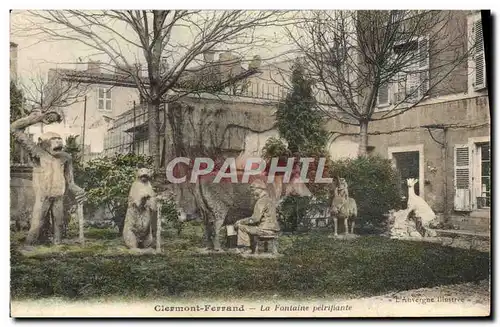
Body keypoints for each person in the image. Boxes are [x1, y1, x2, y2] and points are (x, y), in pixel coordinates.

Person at [234, 180, 280, 253]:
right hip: (273, 229)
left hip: (264, 230)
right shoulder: (270, 200)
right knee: (250, 228)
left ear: (259, 189)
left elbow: (255, 219)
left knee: (241, 226)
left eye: (253, 190)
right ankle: (250, 246)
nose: (252, 193)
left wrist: (240, 221)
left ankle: (245, 248)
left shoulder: (261, 201)